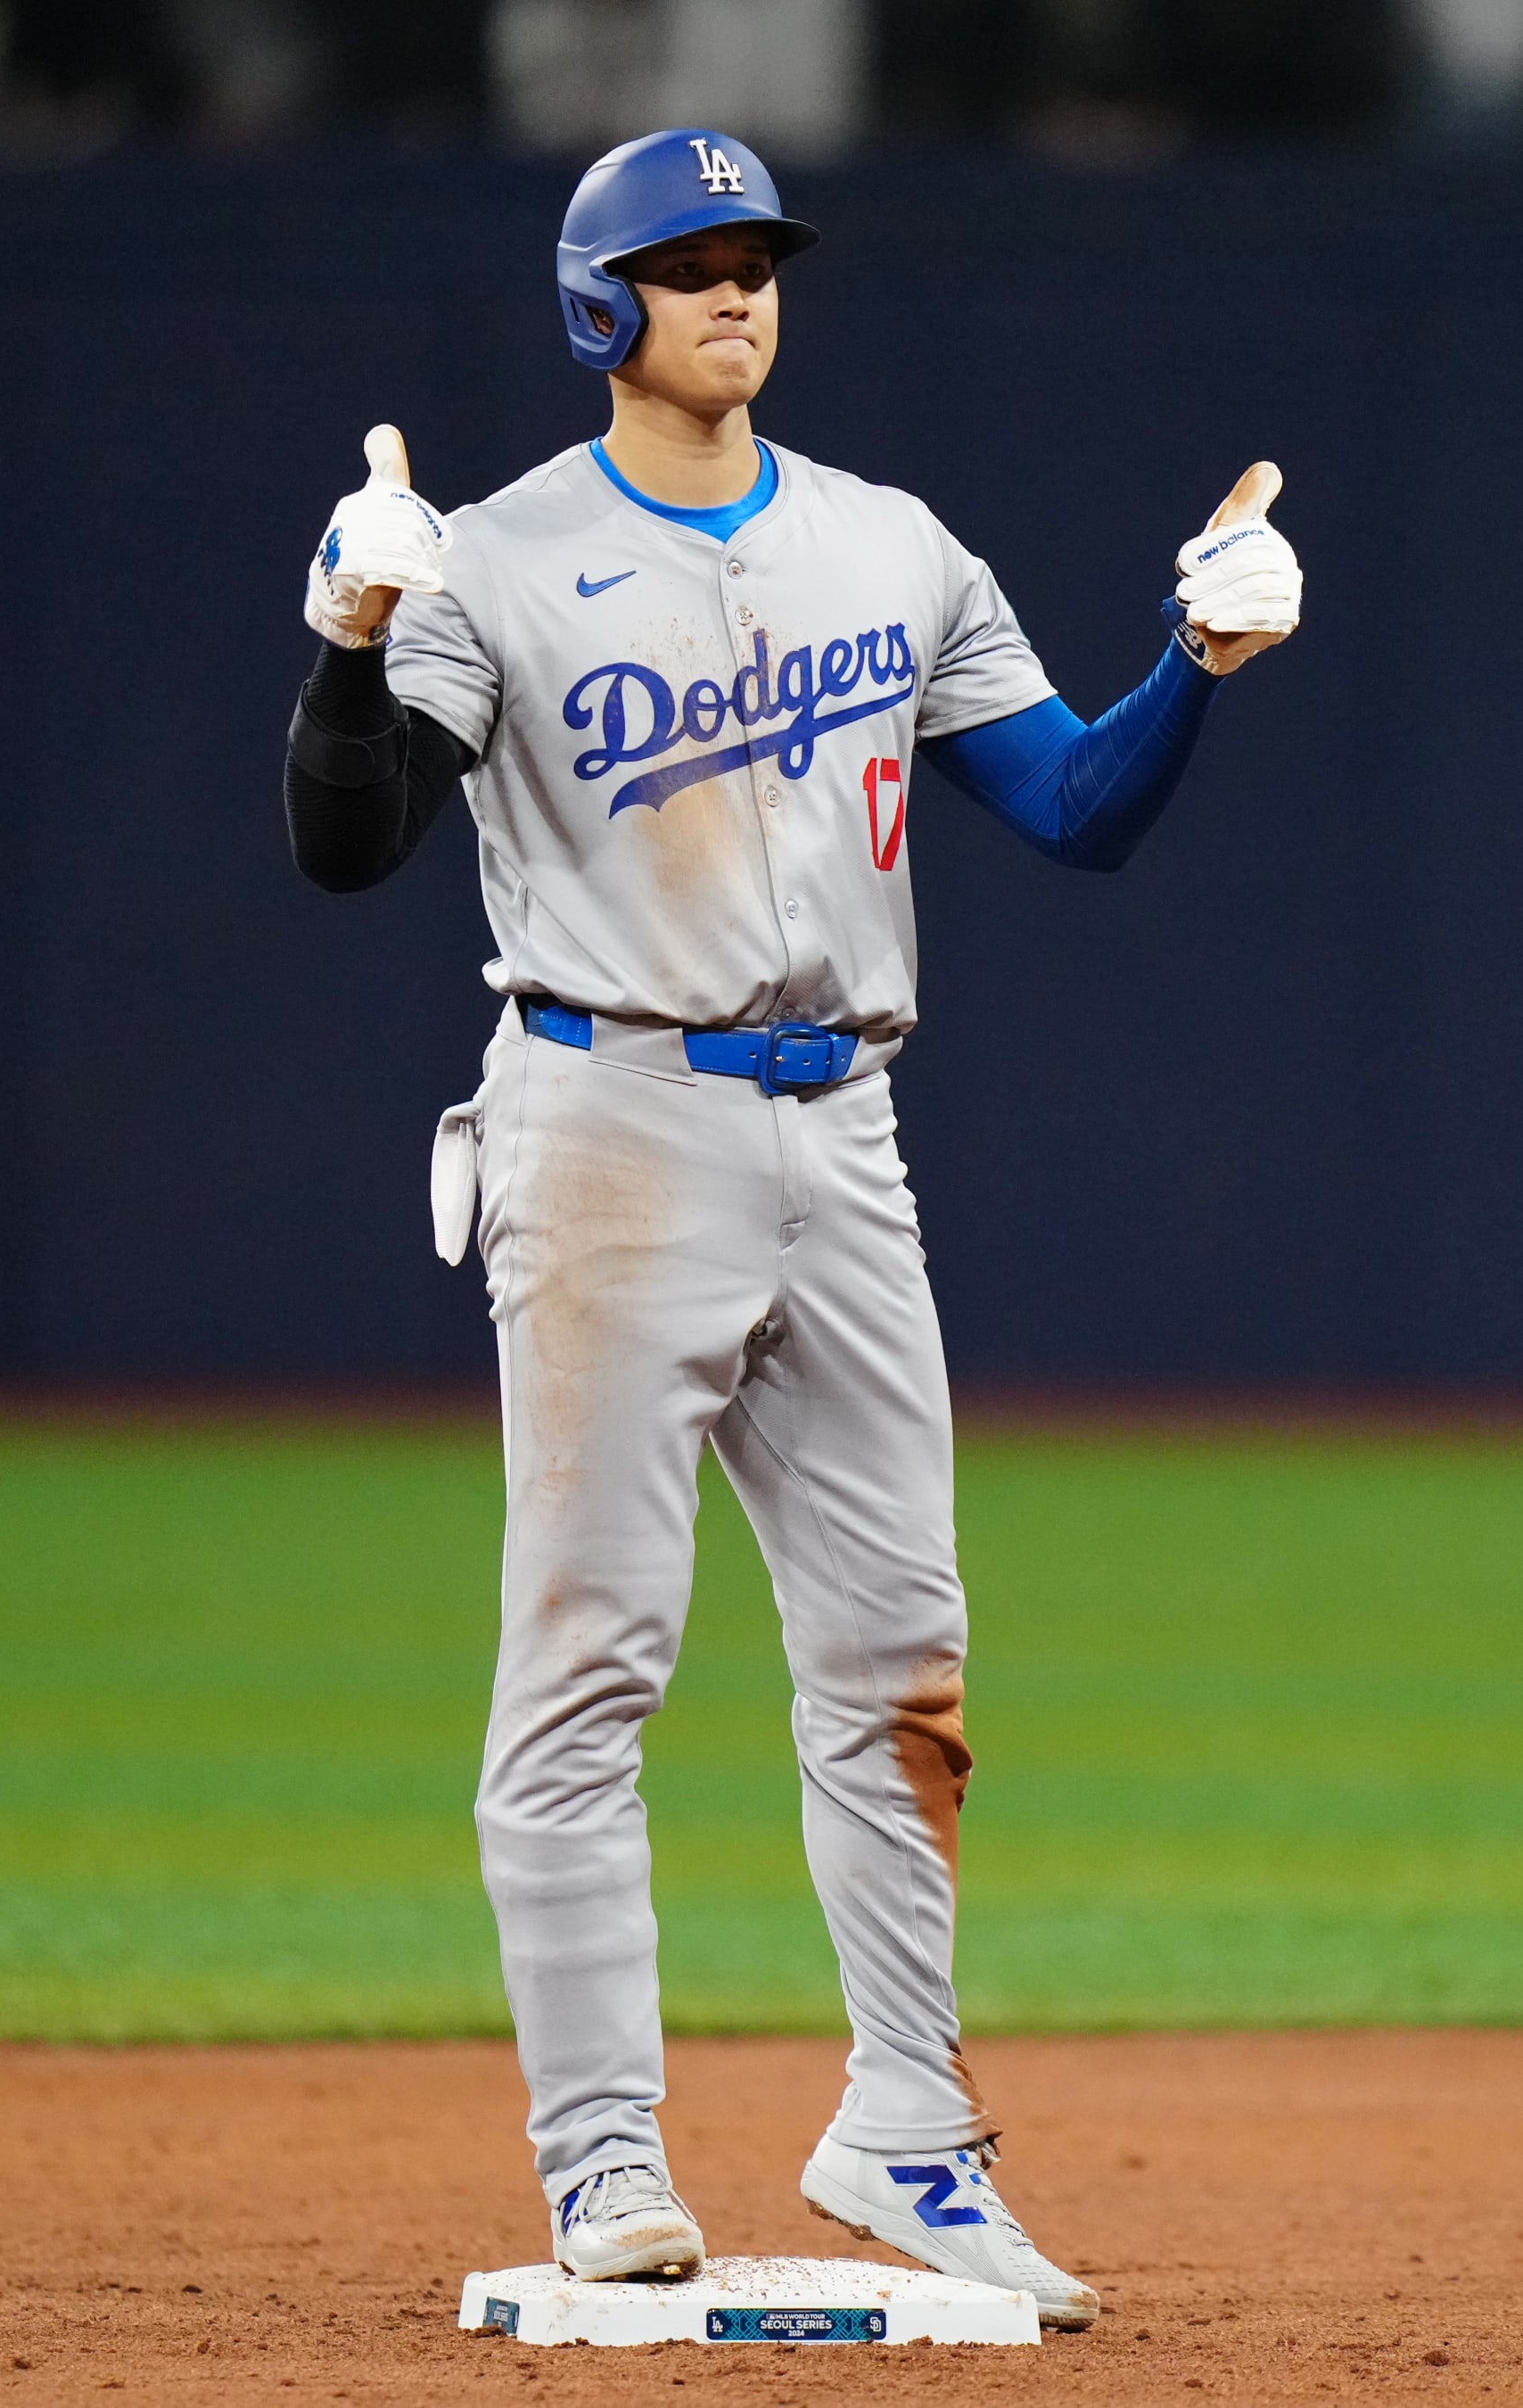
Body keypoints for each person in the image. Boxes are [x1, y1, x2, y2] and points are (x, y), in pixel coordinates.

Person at [283, 128, 1302, 2326]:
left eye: (758, 260)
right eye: (691, 265)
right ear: (601, 311)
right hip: (608, 1114)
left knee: (901, 1658)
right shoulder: (500, 555)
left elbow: (1073, 816)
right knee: (586, 1667)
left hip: (848, 1131)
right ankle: (605, 2160)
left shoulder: (888, 543)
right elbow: (346, 844)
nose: (738, 293)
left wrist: (1192, 674)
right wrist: (355, 642)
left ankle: (911, 2138)